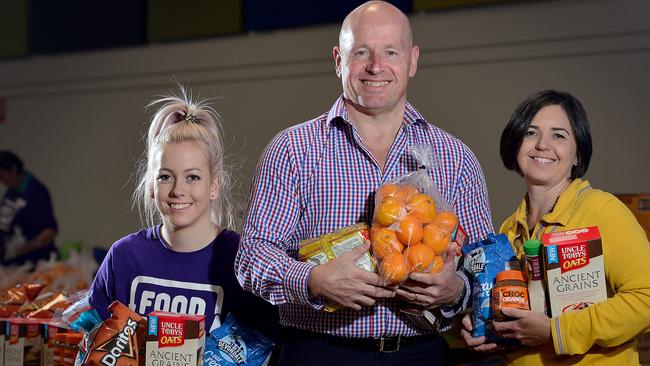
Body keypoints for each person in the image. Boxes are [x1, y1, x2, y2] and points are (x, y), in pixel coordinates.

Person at [235, 2, 493, 365]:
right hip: (318, 352)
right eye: (362, 52)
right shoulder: (292, 150)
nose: (376, 66)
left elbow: (483, 265)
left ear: (413, 60)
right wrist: (312, 279)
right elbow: (252, 257)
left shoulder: (455, 158)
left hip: (422, 356)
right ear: (339, 60)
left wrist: (456, 289)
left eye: (391, 51)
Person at [460, 89, 650, 365]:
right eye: (530, 133)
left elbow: (646, 299)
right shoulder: (509, 231)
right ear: (515, 146)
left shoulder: (602, 211)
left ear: (577, 155)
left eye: (558, 135)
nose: (542, 145)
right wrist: (484, 324)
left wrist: (555, 331)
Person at [89, 87, 278, 338]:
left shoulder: (242, 258)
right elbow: (91, 341)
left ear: (214, 186)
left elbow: (260, 347)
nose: (178, 190)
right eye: (166, 177)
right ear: (151, 186)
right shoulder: (123, 257)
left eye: (193, 177)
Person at [0, 150, 58, 267]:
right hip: (10, 263)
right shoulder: (12, 189)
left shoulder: (36, 192)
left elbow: (50, 230)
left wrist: (25, 248)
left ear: (13, 169)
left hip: (32, 263)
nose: (1, 180)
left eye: (1, 175)